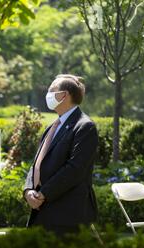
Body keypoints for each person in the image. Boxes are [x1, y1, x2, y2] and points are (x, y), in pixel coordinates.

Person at [23, 74, 98, 236]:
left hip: (67, 213)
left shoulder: (85, 127)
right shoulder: (51, 127)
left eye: (52, 90)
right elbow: (37, 163)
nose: (48, 95)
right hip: (42, 211)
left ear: (64, 95)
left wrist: (44, 193)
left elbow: (75, 169)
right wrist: (28, 190)